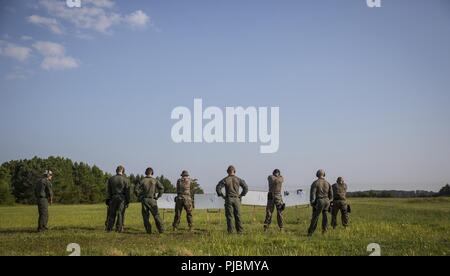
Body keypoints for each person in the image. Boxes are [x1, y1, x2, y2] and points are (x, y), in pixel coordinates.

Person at [216, 165, 249, 234]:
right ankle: (240, 232)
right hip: (237, 199)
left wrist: (222, 195)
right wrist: (241, 195)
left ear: (228, 171)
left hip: (228, 199)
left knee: (229, 216)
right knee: (238, 216)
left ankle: (231, 232)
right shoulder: (239, 179)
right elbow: (246, 188)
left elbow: (218, 188)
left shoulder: (225, 179)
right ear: (234, 171)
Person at [134, 167, 164, 234]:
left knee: (145, 217)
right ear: (152, 173)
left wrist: (139, 196)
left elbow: (136, 189)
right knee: (156, 215)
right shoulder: (155, 180)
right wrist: (158, 196)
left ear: (145, 173)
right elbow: (161, 188)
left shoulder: (142, 180)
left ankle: (148, 231)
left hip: (144, 200)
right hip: (152, 200)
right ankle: (161, 230)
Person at [307, 169, 333, 236]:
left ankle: (310, 232)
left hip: (320, 201)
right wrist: (329, 201)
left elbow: (312, 194)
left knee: (315, 217)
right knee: (325, 216)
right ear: (324, 174)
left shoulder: (315, 183)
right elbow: (331, 195)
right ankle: (325, 231)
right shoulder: (328, 183)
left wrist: (312, 203)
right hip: (327, 201)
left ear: (317, 175)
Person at [106, 165, 130, 233]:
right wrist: (128, 201)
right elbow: (127, 192)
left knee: (111, 213)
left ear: (116, 170)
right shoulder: (126, 179)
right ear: (123, 170)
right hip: (122, 198)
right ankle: (119, 228)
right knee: (120, 213)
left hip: (113, 197)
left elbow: (109, 190)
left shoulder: (111, 179)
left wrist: (108, 199)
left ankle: (109, 228)